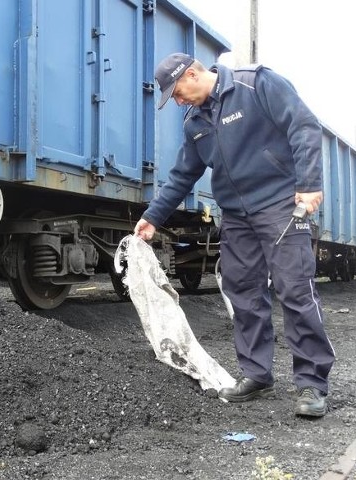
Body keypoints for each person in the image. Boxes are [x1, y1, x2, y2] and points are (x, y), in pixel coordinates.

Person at [134, 52, 335, 417]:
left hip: (279, 207)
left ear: (192, 74)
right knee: (242, 292)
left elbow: (303, 125)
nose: (177, 101)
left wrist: (308, 184)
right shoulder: (194, 122)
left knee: (295, 290)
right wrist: (152, 217)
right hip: (237, 217)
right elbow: (183, 175)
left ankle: (311, 382)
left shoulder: (255, 83)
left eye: (177, 92)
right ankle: (256, 373)